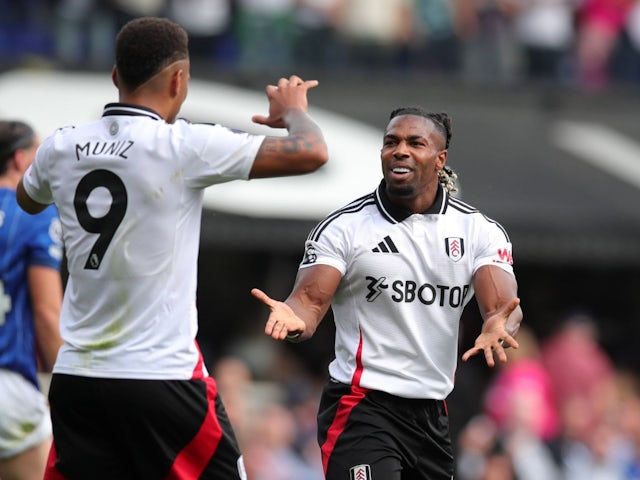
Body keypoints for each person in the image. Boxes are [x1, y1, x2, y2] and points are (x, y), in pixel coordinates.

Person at [16, 16, 328, 480]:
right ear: (179, 79)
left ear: (116, 75)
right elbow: (312, 151)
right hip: (160, 378)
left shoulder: (61, 146)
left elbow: (27, 195)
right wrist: (293, 111)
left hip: (78, 379)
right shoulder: (184, 145)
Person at [252, 106, 523, 479]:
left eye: (415, 143)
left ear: (440, 159)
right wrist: (294, 317)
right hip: (361, 406)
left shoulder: (478, 231)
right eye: (391, 142)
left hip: (431, 413)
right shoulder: (345, 227)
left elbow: (502, 306)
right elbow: (310, 302)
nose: (400, 150)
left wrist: (500, 324)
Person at [0, 120, 64, 480]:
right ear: (20, 160)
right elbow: (46, 313)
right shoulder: (32, 213)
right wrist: (70, 389)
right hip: (8, 390)